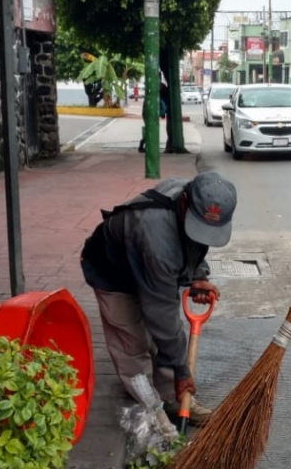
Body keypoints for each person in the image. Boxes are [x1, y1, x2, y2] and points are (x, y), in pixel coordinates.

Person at [81, 172, 238, 427]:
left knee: (164, 341)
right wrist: (183, 371)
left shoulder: (188, 197)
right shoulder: (155, 234)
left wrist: (198, 275)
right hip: (112, 273)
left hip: (148, 263)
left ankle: (175, 399)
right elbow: (161, 313)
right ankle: (154, 419)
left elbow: (193, 242)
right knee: (133, 345)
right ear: (184, 201)